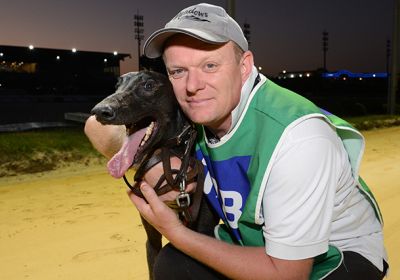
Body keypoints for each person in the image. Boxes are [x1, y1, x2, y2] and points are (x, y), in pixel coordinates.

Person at [85, 3, 389, 279]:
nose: (193, 85)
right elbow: (96, 125)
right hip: (252, 241)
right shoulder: (197, 106)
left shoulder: (299, 139)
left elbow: (286, 275)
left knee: (180, 249)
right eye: (178, 71)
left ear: (244, 67)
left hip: (336, 256)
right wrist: (151, 162)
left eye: (210, 66)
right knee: (173, 266)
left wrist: (174, 231)